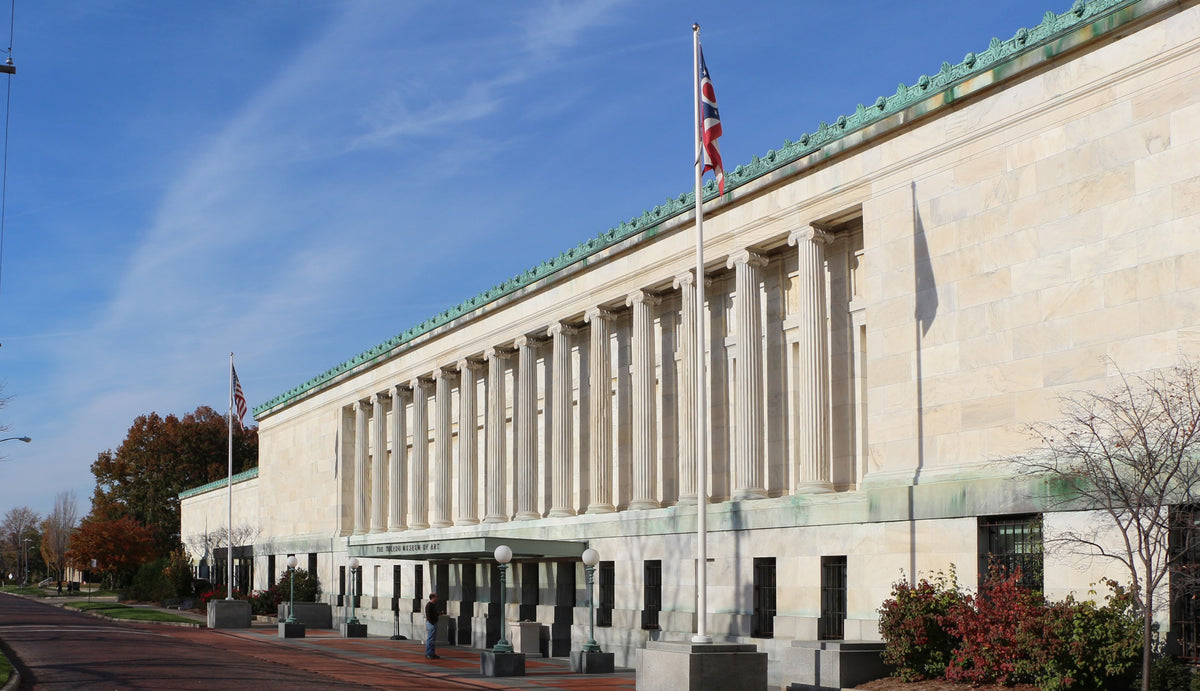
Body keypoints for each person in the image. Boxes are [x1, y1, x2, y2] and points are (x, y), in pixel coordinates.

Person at [424, 592, 440, 659]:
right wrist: (432, 622)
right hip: (431, 624)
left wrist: (438, 614)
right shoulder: (429, 605)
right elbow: (429, 615)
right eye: (436, 597)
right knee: (430, 639)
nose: (437, 598)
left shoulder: (432, 605)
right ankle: (429, 653)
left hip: (432, 623)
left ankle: (432, 653)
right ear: (433, 597)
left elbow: (433, 614)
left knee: (432, 639)